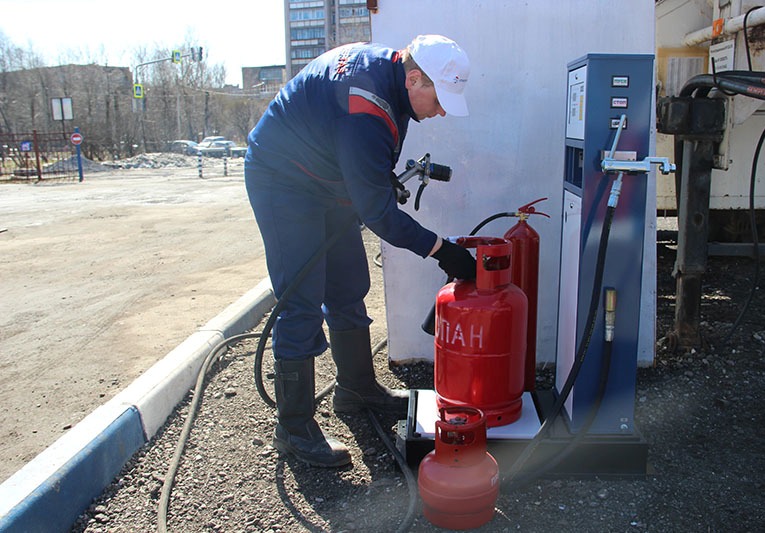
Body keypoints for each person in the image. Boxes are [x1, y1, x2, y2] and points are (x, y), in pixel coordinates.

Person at [244, 34, 476, 468]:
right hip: (283, 180)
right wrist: (443, 250)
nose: (442, 110)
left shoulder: (392, 84)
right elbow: (380, 217)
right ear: (414, 79)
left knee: (350, 282)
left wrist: (372, 174)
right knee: (302, 301)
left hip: (324, 179)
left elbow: (367, 159)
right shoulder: (367, 104)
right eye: (440, 98)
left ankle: (355, 390)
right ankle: (293, 428)